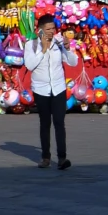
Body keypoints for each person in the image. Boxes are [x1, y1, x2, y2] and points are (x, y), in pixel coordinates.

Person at [24, 13, 77, 169]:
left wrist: (67, 49)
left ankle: (62, 158)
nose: (51, 32)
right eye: (47, 29)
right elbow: (30, 65)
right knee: (45, 123)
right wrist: (43, 49)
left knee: (59, 123)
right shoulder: (31, 45)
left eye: (53, 28)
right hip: (41, 89)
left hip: (59, 88)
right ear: (39, 30)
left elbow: (73, 62)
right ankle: (45, 157)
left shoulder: (59, 43)